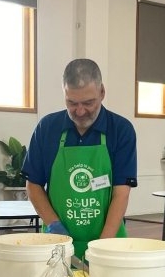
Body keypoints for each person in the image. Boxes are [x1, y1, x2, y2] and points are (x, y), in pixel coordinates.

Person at [22, 58, 138, 260]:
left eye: (88, 103)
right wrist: (54, 226)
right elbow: (33, 185)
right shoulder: (47, 129)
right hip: (57, 243)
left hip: (108, 241)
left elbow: (121, 194)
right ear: (64, 94)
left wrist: (100, 250)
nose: (80, 111)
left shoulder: (120, 130)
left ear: (102, 92)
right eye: (72, 103)